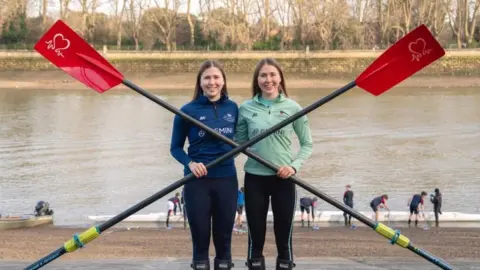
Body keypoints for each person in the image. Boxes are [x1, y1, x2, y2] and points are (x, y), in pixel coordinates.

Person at [235, 58, 313, 270]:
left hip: (284, 178)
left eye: (272, 75)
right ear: (257, 79)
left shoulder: (293, 107)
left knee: (283, 235)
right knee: (255, 236)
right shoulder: (245, 108)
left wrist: (294, 166)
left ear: (280, 78)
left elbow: (307, 144)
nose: (268, 80)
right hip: (254, 179)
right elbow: (237, 144)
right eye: (263, 75)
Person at [170, 60, 238, 270]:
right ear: (200, 83)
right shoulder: (186, 111)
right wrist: (190, 163)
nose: (212, 82)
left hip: (226, 179)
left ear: (223, 81)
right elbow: (175, 148)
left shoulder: (233, 108)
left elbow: (242, 138)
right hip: (197, 181)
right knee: (200, 239)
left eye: (216, 77)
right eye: (207, 78)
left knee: (224, 238)